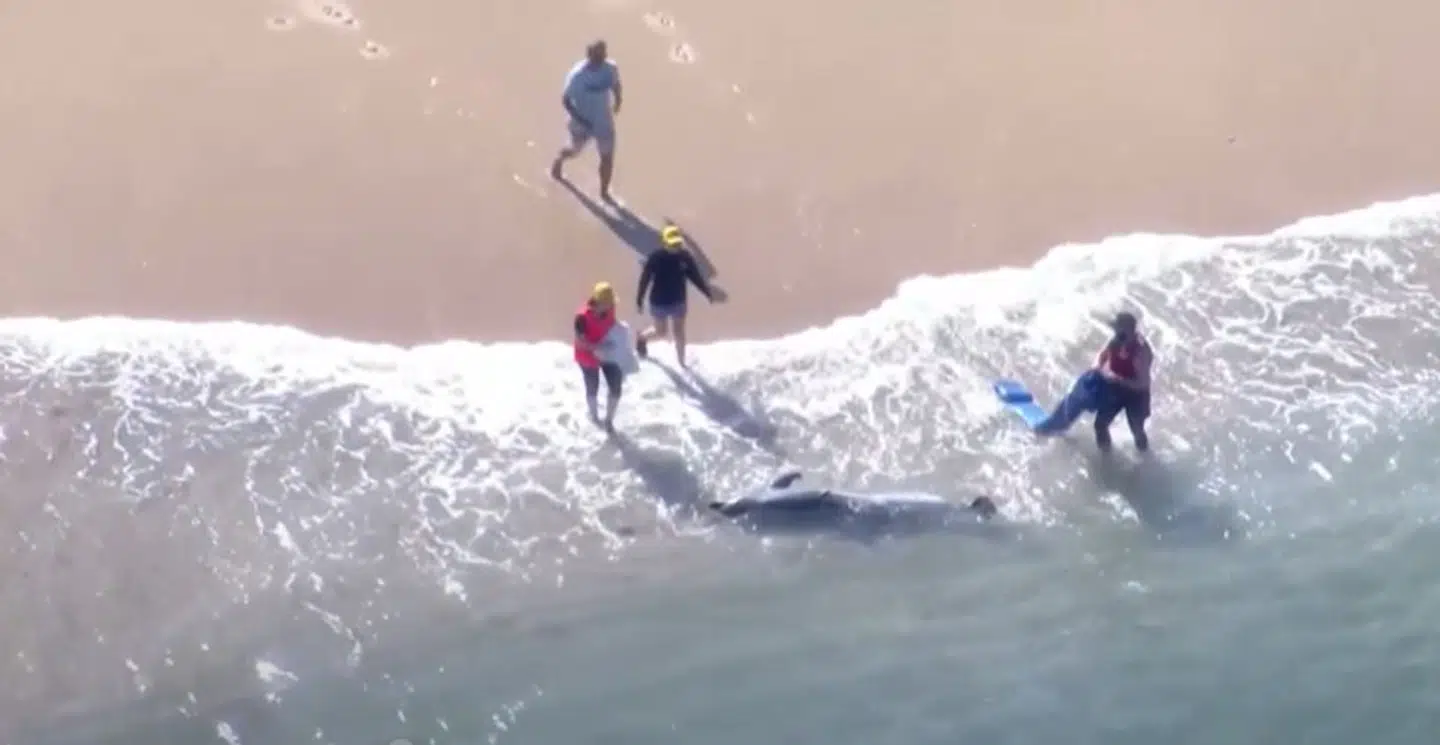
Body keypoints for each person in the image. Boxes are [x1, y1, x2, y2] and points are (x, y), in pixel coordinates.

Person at [549, 40, 623, 203]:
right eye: (597, 56)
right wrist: (581, 119)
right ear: (589, 55)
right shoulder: (577, 76)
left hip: (603, 121)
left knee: (607, 158)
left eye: (603, 54)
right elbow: (566, 100)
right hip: (581, 122)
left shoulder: (610, 69)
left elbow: (616, 84)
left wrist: (618, 100)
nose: (601, 59)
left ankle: (604, 193)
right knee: (573, 151)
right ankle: (558, 162)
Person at [635, 224, 716, 367]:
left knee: (679, 332)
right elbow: (644, 280)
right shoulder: (655, 258)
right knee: (661, 332)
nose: (676, 247)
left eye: (678, 244)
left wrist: (706, 292)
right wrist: (639, 300)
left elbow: (694, 276)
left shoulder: (685, 257)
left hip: (679, 300)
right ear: (664, 242)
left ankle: (682, 363)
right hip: (659, 302)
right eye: (672, 245)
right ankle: (641, 338)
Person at [1092, 311, 1154, 452]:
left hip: (1137, 394)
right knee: (1100, 424)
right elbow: (1102, 355)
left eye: (1117, 328)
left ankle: (1144, 458)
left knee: (1137, 429)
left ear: (1129, 331)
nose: (1114, 331)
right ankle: (1106, 456)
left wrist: (1117, 379)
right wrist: (1096, 367)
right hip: (1116, 389)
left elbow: (1142, 383)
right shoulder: (1116, 340)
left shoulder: (1141, 351)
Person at [574, 282, 625, 429]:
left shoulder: (610, 309)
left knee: (616, 386)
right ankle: (595, 418)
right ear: (599, 302)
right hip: (587, 356)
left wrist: (621, 334)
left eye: (611, 303)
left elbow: (612, 323)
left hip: (608, 352)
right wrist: (598, 348)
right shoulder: (581, 318)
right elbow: (581, 342)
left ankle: (609, 421)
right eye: (608, 303)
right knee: (592, 387)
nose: (611, 306)